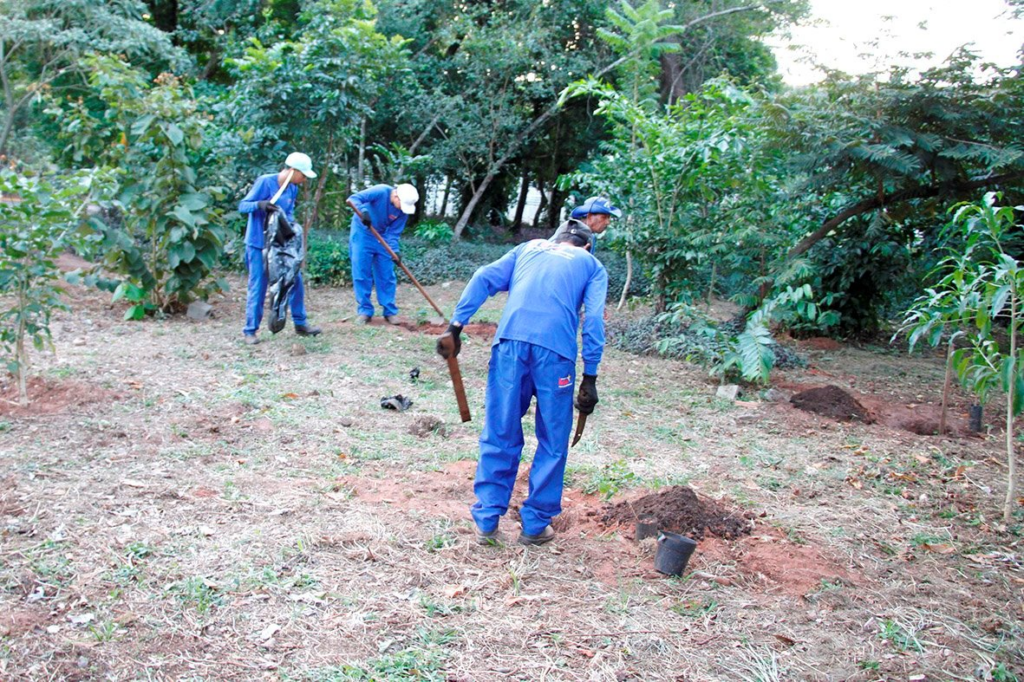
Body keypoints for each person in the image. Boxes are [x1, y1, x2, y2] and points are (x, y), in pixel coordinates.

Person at [436, 225, 608, 546]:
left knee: (500, 429)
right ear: (586, 246)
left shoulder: (528, 248)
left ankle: (487, 520)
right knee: (553, 438)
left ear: (557, 239)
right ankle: (535, 525)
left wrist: (456, 327)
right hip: (556, 354)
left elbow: (483, 277)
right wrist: (591, 376)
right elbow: (594, 320)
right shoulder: (591, 265)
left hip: (509, 345)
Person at [238, 152, 321, 345]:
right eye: (303, 175)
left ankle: (300, 324)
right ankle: (250, 331)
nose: (304, 179)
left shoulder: (292, 188)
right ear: (292, 171)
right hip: (258, 243)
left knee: (295, 281)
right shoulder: (265, 182)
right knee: (258, 286)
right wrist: (260, 205)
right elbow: (243, 206)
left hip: (280, 245)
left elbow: (288, 215)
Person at [346, 183, 420, 324]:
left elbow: (393, 233)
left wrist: (395, 251)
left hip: (383, 237)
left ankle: (389, 311)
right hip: (363, 234)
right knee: (361, 272)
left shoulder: (403, 211)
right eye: (401, 204)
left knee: (386, 274)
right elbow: (353, 198)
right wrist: (363, 212)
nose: (401, 208)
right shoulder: (380, 191)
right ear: (396, 196)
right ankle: (365, 311)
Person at [550, 196, 623, 253]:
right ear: (589, 216)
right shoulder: (570, 229)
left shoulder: (591, 237)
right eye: (603, 217)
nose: (608, 222)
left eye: (608, 218)